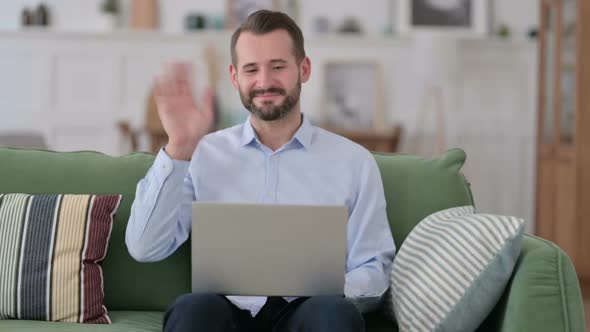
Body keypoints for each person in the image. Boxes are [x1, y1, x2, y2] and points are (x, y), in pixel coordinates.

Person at [125, 10, 395, 332]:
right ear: (235, 76)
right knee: (191, 310)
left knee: (334, 316)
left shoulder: (354, 161)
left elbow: (374, 268)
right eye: (251, 69)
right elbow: (144, 248)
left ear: (303, 69)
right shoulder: (202, 154)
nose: (264, 82)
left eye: (278, 67)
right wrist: (180, 146)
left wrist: (333, 288)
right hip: (226, 310)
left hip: (310, 310)